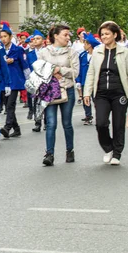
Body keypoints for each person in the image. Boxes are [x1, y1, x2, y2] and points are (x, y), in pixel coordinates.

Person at [84, 21, 128, 166]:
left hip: (119, 93)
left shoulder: (124, 52)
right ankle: (108, 148)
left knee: (118, 124)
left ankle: (117, 153)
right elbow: (91, 72)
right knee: (101, 123)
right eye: (102, 34)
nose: (104, 37)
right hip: (101, 93)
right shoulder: (97, 51)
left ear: (115, 35)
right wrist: (87, 92)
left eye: (107, 34)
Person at [37, 25, 79, 166]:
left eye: (69, 35)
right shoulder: (43, 52)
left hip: (67, 89)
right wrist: (51, 71)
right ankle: (49, 154)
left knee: (66, 123)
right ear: (55, 36)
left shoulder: (71, 52)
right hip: (49, 91)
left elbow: (75, 72)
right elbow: (39, 70)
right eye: (65, 35)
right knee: (51, 123)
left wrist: (59, 69)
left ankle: (69, 150)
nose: (68, 37)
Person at [0, 23, 28, 139]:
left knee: (10, 104)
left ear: (10, 37)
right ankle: (17, 129)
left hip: (15, 81)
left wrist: (28, 80)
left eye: (5, 36)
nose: (3, 39)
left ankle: (7, 127)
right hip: (3, 81)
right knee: (7, 105)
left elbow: (24, 65)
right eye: (1, 37)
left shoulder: (18, 49)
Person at [77, 32, 101, 126]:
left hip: (95, 81)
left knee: (96, 99)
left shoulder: (98, 55)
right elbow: (79, 69)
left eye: (85, 43)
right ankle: (88, 116)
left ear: (90, 45)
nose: (84, 45)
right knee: (85, 99)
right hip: (84, 80)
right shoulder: (82, 55)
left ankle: (100, 115)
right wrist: (78, 80)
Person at [27, 30, 45, 131]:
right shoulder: (30, 53)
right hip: (34, 79)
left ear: (43, 40)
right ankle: (37, 122)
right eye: (34, 39)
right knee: (36, 101)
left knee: (45, 101)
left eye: (38, 38)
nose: (35, 41)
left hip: (45, 79)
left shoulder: (46, 51)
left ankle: (47, 121)